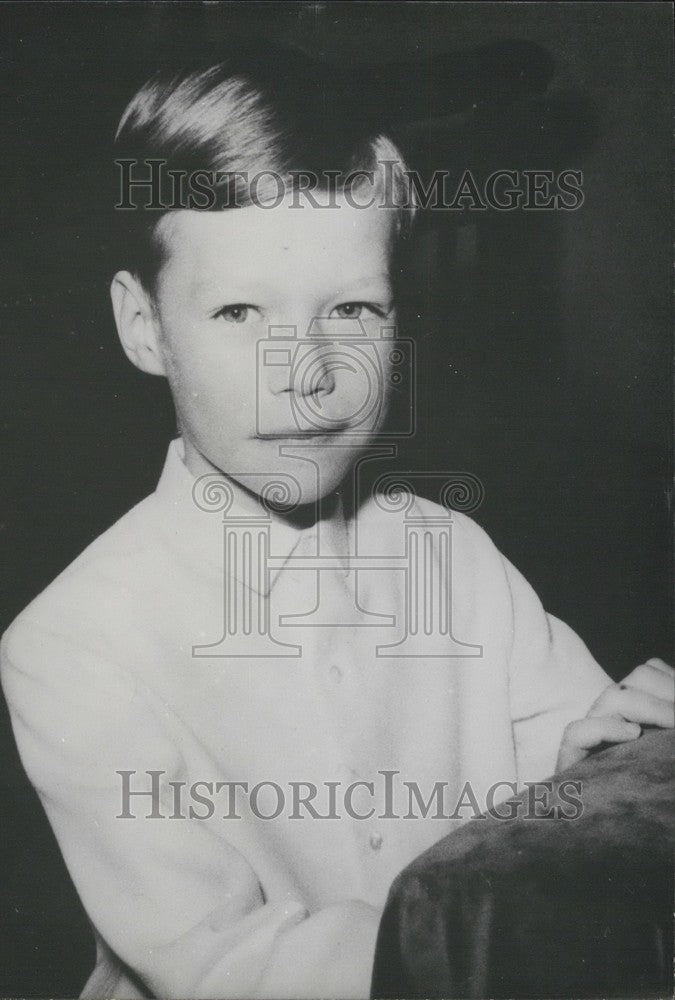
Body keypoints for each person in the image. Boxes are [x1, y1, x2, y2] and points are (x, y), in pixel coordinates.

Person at [1, 53, 672, 1000]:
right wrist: (496, 943)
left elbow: (547, 821)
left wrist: (599, 766)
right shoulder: (72, 645)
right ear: (143, 326)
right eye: (239, 311)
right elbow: (222, 964)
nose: (307, 371)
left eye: (352, 309)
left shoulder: (453, 555)